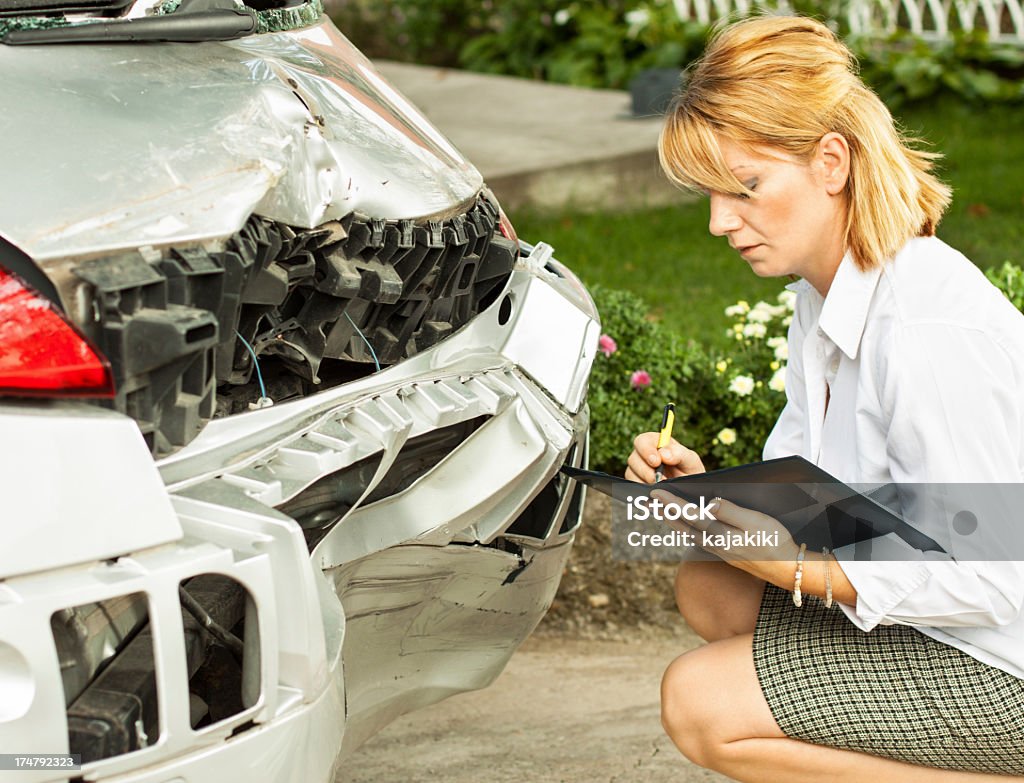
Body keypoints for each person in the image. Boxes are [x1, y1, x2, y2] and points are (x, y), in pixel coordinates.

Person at [624, 14, 1024, 782]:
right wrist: (706, 494)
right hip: (962, 624)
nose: (718, 221)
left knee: (701, 701)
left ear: (831, 162)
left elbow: (992, 575)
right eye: (709, 194)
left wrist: (795, 565)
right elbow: (816, 491)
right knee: (711, 584)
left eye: (745, 187)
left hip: (1006, 654)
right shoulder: (828, 297)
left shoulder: (923, 328)